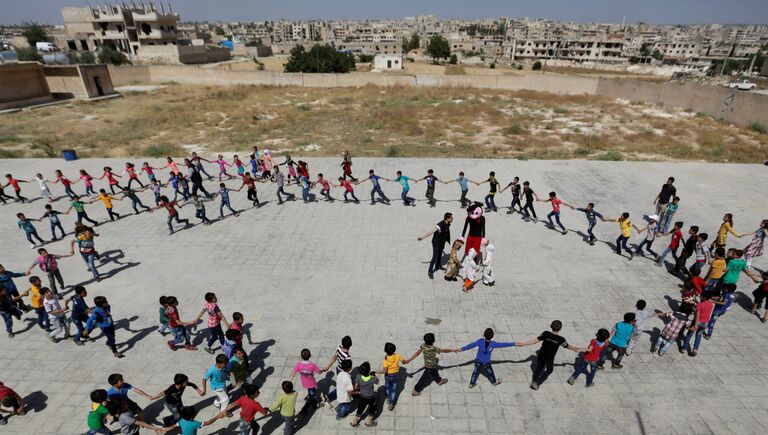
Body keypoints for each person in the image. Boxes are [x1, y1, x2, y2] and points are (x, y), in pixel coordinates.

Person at [517, 320, 581, 390]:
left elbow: (535, 340)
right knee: (549, 370)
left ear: (551, 326)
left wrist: (524, 344)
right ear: (560, 329)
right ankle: (537, 382)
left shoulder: (546, 333)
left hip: (541, 355)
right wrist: (574, 349)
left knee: (539, 368)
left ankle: (534, 381)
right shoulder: (561, 339)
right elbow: (567, 346)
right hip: (549, 358)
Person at [417, 212, 453, 279]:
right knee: (434, 257)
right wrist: (422, 237)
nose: (452, 219)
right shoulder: (440, 225)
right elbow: (431, 232)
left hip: (442, 243)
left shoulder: (448, 224)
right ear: (447, 218)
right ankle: (430, 271)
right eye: (451, 218)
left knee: (439, 255)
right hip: (436, 243)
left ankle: (438, 266)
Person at [320, 335, 352, 404]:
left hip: (338, 369)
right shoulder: (347, 357)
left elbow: (334, 358)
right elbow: (348, 368)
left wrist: (328, 366)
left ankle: (328, 397)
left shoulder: (339, 349)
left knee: (341, 385)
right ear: (350, 346)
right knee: (341, 387)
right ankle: (328, 397)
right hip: (343, 372)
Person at [376, 342, 405, 411]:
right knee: (394, 389)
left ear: (385, 351)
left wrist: (376, 372)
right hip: (395, 374)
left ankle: (388, 398)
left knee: (388, 387)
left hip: (388, 375)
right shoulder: (397, 355)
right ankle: (391, 403)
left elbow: (384, 371)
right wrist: (405, 361)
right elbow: (403, 361)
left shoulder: (386, 360)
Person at [349, 361, 378, 428]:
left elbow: (356, 387)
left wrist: (361, 388)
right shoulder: (372, 378)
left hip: (362, 396)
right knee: (373, 408)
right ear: (369, 371)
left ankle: (354, 422)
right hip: (371, 397)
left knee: (360, 408)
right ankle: (368, 422)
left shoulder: (358, 376)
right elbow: (377, 382)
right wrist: (374, 375)